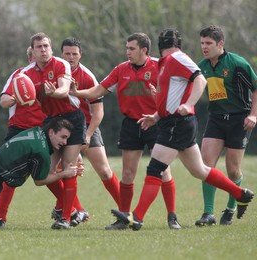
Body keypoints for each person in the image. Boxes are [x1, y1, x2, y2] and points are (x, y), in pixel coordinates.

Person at [109, 28, 254, 231]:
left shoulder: (178, 58)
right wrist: (156, 116)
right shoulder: (166, 63)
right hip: (173, 121)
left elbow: (200, 79)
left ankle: (137, 217)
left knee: (155, 168)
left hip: (178, 123)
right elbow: (173, 95)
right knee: (200, 170)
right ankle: (241, 194)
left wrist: (189, 104)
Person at [69, 33, 180, 230]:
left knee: (163, 172)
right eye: (126, 48)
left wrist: (160, 100)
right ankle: (124, 218)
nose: (127, 52)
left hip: (156, 123)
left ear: (144, 50)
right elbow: (98, 90)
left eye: (131, 48)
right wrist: (77, 93)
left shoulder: (160, 66)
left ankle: (172, 217)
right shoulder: (121, 69)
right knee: (127, 174)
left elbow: (175, 93)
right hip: (131, 125)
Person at [49, 37, 121, 224]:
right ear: (61, 54)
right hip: (61, 127)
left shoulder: (87, 76)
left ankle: (127, 210)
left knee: (104, 171)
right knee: (60, 170)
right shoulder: (55, 71)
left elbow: (98, 112)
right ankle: (72, 211)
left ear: (80, 54)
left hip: (87, 126)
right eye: (67, 54)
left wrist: (87, 136)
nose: (71, 57)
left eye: (74, 54)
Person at [20, 32, 87, 229]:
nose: (43, 50)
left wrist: (54, 93)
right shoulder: (26, 75)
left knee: (69, 165)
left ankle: (65, 218)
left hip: (72, 117)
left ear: (51, 48)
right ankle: (74, 211)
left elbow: (64, 89)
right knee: (45, 172)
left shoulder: (60, 64)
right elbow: (14, 95)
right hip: (51, 122)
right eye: (39, 47)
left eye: (46, 46)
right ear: (32, 51)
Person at [195, 25, 257, 226]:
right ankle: (208, 214)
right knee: (206, 165)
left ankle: (232, 206)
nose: (204, 47)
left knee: (232, 170)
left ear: (220, 44)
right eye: (202, 43)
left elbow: (256, 89)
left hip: (240, 120)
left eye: (209, 43)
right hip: (216, 118)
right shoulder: (201, 66)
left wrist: (254, 115)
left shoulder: (237, 63)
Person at [0, 46, 46, 230]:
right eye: (33, 55)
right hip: (19, 129)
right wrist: (20, 96)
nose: (36, 59)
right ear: (30, 57)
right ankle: (0, 218)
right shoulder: (19, 76)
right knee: (9, 174)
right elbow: (3, 101)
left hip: (43, 130)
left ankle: (72, 210)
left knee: (48, 172)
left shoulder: (51, 73)